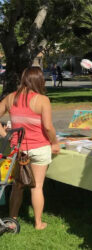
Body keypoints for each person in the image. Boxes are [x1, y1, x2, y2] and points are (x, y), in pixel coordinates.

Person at [0, 66, 60, 230]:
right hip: (40, 147)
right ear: (39, 80)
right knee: (37, 186)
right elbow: (48, 127)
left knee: (17, 186)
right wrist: (54, 143)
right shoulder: (42, 100)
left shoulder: (11, 98)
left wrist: (5, 135)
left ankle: (12, 219)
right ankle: (38, 223)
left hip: (19, 148)